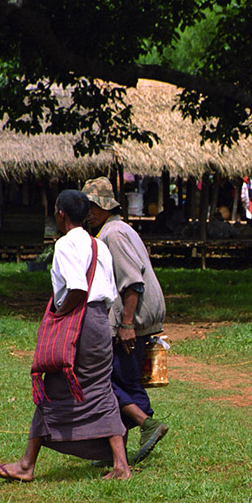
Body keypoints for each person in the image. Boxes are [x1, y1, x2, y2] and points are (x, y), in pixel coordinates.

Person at [0, 190, 130, 481]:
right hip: (99, 324)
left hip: (76, 324)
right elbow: (110, 292)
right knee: (101, 389)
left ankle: (26, 465)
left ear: (60, 214)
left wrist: (60, 313)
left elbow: (77, 287)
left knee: (52, 387)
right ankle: (121, 465)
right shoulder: (98, 245)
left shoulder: (65, 245)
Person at [83, 177, 169, 465]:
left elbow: (132, 281)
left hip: (133, 316)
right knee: (123, 378)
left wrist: (127, 323)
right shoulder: (117, 229)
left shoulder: (113, 234)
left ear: (106, 206)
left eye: (94, 206)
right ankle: (113, 450)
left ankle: (146, 423)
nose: (89, 212)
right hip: (136, 316)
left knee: (107, 381)